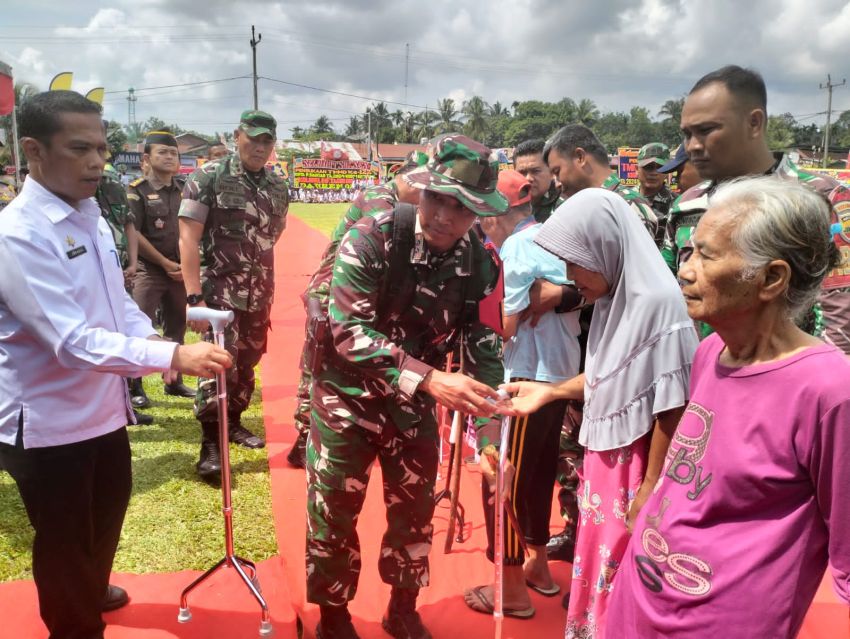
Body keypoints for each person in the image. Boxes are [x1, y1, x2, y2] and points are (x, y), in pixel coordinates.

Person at [0, 90, 231, 639]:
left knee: (105, 514)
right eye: (80, 149)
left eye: (102, 148)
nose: (98, 161)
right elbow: (72, 342)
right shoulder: (19, 234)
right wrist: (170, 353)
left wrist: (157, 346)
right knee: (65, 540)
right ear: (33, 149)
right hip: (48, 422)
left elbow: (117, 305)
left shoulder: (88, 216)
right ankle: (74, 626)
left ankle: (90, 590)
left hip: (101, 410)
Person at [608, 177, 850, 638]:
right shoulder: (709, 352)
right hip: (642, 601)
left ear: (771, 278)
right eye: (689, 252)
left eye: (707, 255)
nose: (685, 270)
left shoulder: (828, 390)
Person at [306, 135, 507, 639]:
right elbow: (347, 333)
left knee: (414, 513)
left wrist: (487, 435)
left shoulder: (481, 263)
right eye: (437, 198)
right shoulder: (371, 237)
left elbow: (483, 347)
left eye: (462, 208)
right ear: (423, 190)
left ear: (478, 212)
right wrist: (431, 378)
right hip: (345, 396)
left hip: (413, 402)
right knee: (333, 511)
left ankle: (402, 607)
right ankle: (332, 615)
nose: (444, 215)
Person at [501, 189, 699, 639]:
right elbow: (610, 379)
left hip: (635, 472)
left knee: (625, 581)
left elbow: (672, 408)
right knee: (600, 572)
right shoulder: (615, 300)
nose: (570, 277)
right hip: (608, 469)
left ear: (607, 247)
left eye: (575, 263)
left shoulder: (657, 305)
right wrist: (547, 392)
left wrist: (647, 492)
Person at [662, 65, 850, 353]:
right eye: (687, 134)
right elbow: (673, 295)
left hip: (793, 380)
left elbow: (840, 316)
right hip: (708, 373)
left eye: (706, 130)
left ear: (754, 123)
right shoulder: (686, 205)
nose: (693, 146)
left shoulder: (822, 198)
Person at [465, 170, 582, 618]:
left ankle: (510, 587)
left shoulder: (516, 246)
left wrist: (473, 312)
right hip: (558, 374)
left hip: (524, 377)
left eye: (483, 217)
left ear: (500, 211)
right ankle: (538, 568)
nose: (482, 227)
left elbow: (506, 325)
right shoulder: (555, 237)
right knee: (535, 475)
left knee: (503, 476)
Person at [288, 150, 427, 468]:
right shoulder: (381, 201)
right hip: (334, 295)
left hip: (355, 293)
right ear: (411, 178)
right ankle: (306, 434)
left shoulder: (397, 201)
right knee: (321, 365)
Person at [179, 109, 289, 481]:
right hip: (219, 294)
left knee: (247, 362)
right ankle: (211, 443)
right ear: (236, 135)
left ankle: (235, 422)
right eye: (253, 138)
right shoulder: (208, 178)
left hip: (259, 294)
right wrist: (195, 298)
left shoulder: (277, 185)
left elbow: (277, 231)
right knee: (216, 363)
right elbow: (188, 238)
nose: (260, 147)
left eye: (267, 141)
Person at [126, 131, 195, 406]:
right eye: (162, 153)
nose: (169, 157)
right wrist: (164, 263)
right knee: (140, 324)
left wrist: (184, 266)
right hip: (149, 270)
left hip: (179, 270)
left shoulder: (184, 190)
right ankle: (134, 387)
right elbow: (134, 233)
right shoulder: (137, 190)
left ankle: (173, 380)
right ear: (147, 158)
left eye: (173, 153)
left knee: (177, 323)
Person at [96, 150, 153, 427]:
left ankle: (128, 400)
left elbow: (128, 225)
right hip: (96, 276)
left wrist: (131, 263)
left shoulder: (113, 187)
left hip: (119, 274)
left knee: (122, 331)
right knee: (102, 339)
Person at [513, 137, 563, 223]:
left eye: (535, 171)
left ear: (551, 172)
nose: (528, 178)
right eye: (522, 172)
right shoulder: (508, 205)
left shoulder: (564, 205)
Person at [636, 143, 675, 246]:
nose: (654, 173)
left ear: (667, 172)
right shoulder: (623, 199)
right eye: (648, 167)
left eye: (660, 167)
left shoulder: (677, 204)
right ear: (637, 169)